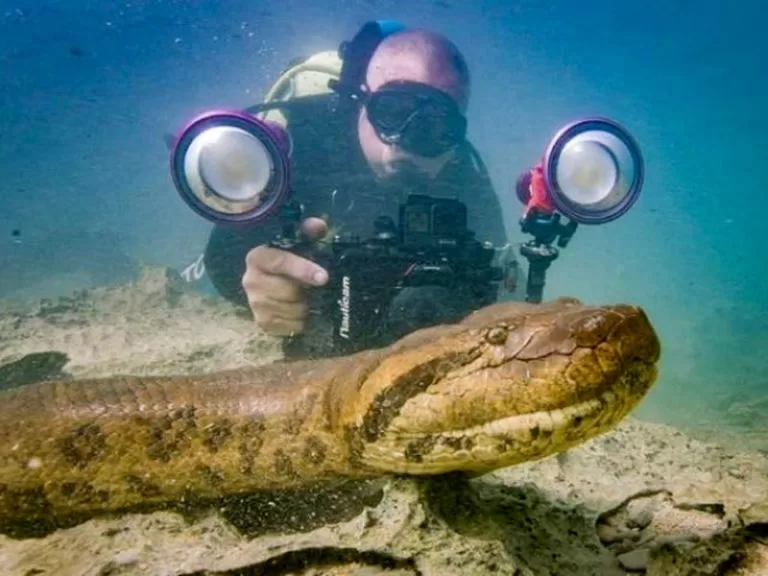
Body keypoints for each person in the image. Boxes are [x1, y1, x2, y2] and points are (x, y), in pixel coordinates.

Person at [199, 22, 522, 358]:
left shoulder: (465, 177)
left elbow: (507, 280)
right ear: (361, 97)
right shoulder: (307, 139)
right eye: (390, 112)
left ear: (456, 133)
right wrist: (258, 283)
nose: (398, 148)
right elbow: (223, 257)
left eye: (434, 127)